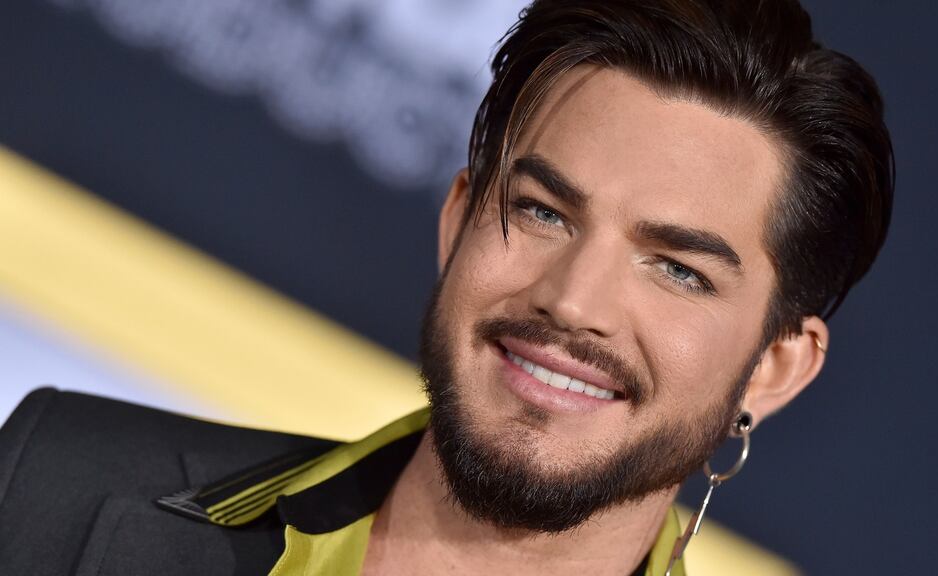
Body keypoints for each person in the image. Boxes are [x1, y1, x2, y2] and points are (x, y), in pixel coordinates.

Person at [0, 1, 893, 574]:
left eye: (677, 269)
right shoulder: (55, 476)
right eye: (544, 212)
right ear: (458, 218)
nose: (574, 301)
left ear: (776, 365)